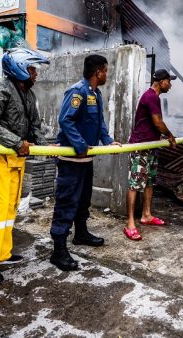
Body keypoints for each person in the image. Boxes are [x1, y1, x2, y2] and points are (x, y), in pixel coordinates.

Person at [0, 47, 49, 284]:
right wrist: (16, 142)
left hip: (16, 159)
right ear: (21, 68)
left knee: (8, 209)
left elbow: (35, 127)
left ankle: (2, 254)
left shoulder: (29, 95)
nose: (36, 74)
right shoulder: (2, 89)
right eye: (33, 69)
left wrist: (48, 149)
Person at [50, 54, 121, 271]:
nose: (106, 74)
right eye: (106, 71)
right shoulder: (77, 91)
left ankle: (80, 234)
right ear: (98, 71)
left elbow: (99, 123)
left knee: (83, 200)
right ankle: (58, 250)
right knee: (67, 202)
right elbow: (65, 119)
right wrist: (80, 145)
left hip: (86, 160)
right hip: (72, 160)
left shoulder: (95, 94)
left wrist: (109, 141)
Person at [123, 69, 178, 241]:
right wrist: (169, 135)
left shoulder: (155, 97)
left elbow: (153, 124)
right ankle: (129, 223)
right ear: (162, 82)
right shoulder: (151, 97)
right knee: (135, 184)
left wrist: (160, 135)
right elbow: (157, 122)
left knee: (149, 182)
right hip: (141, 146)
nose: (171, 84)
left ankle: (146, 215)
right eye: (169, 81)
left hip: (151, 145)